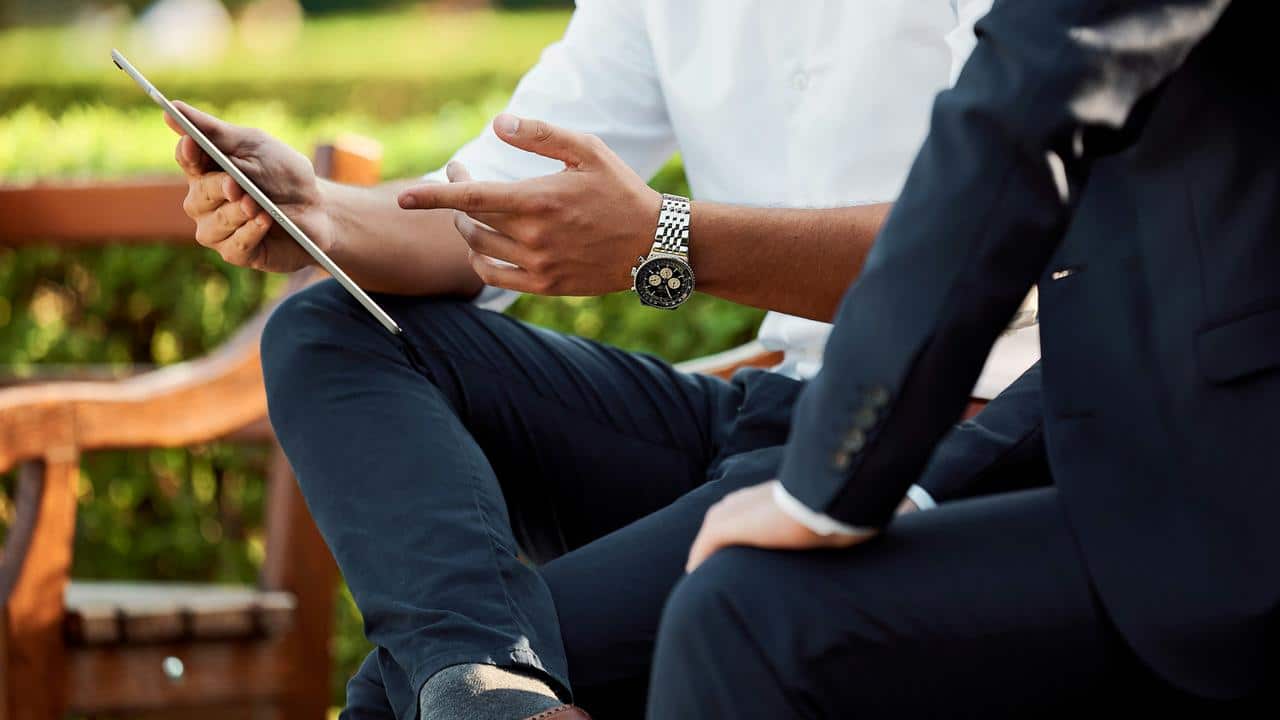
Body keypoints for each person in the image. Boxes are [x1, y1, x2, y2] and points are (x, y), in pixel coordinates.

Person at [163, 2, 1038, 718]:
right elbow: (488, 207)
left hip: (941, 432)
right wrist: (318, 214)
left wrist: (668, 240)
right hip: (768, 409)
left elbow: (989, 241)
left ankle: (483, 686)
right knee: (327, 330)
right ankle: (489, 683)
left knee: (396, 701)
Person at [646, 0, 1279, 716]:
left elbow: (1014, 124)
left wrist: (829, 482)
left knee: (740, 614)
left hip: (1214, 496)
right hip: (849, 415)